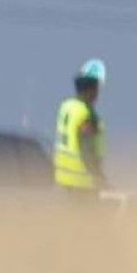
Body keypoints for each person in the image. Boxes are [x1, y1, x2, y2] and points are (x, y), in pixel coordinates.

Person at [54, 59, 108, 199]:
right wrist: (99, 175)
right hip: (83, 180)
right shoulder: (85, 113)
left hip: (63, 178)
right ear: (91, 90)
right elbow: (86, 146)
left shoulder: (66, 106)